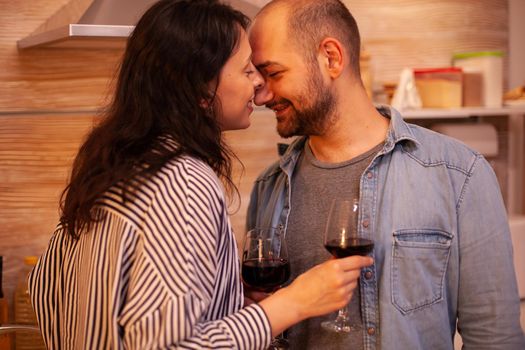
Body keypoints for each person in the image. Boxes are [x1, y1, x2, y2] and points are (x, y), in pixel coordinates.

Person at [27, 1, 373, 349]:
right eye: (246, 69)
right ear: (201, 89)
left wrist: (221, 297)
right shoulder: (184, 181)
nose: (258, 84)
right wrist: (293, 303)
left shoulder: (112, 167)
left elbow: (44, 292)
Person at [246, 0, 525, 349]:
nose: (261, 96)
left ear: (331, 57)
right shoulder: (269, 187)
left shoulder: (460, 174)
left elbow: (494, 338)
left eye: (273, 73)